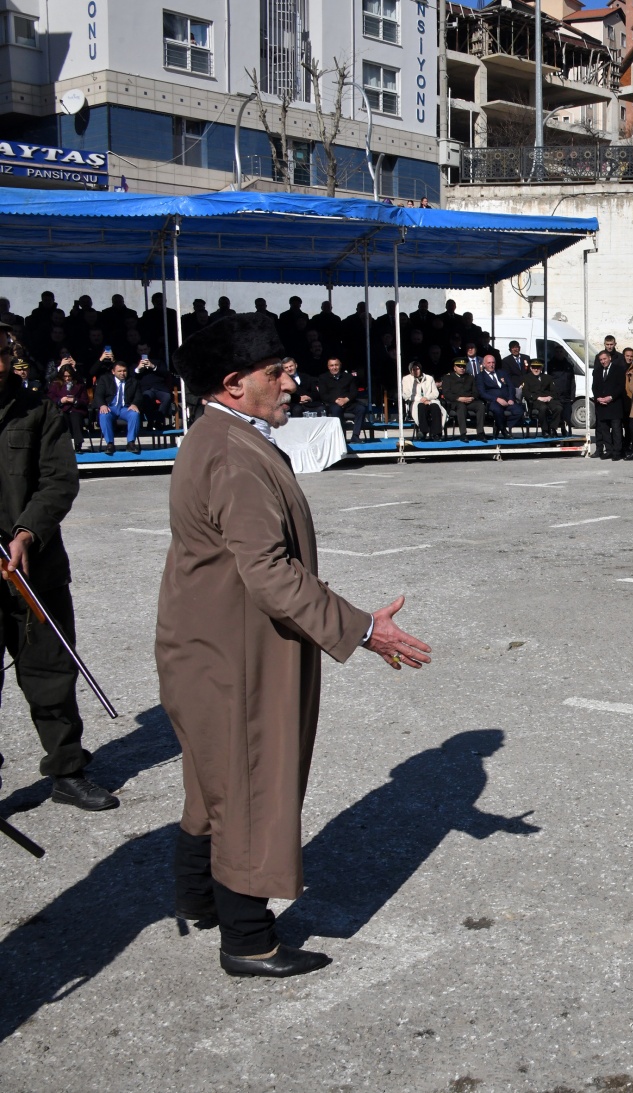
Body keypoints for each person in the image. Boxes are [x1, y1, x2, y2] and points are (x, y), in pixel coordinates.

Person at [157, 311, 431, 978]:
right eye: (276, 372)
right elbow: (271, 573)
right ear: (233, 383)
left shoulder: (221, 434)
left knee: (215, 780)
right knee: (251, 787)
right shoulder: (232, 452)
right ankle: (248, 940)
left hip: (213, 641)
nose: (291, 382)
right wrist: (364, 628)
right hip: (237, 654)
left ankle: (199, 897)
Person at [0, 328, 113, 811]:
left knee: (51, 671)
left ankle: (67, 771)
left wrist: (27, 532)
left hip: (34, 567)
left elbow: (60, 480)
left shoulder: (39, 410)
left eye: (3, 353)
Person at [315, 357, 367, 444]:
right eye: (332, 365)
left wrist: (346, 399)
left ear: (340, 365)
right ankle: (340, 437)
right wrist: (336, 400)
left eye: (336, 365)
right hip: (333, 404)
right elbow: (323, 394)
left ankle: (355, 436)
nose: (334, 367)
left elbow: (354, 392)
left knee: (361, 409)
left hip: (348, 403)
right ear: (328, 367)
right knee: (336, 409)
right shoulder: (323, 378)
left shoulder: (349, 377)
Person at [93, 360, 141, 454]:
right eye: (119, 371)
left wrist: (135, 404)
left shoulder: (133, 381)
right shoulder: (105, 380)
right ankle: (110, 444)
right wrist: (102, 405)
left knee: (134, 414)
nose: (122, 373)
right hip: (110, 407)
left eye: (124, 371)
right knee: (104, 415)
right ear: (113, 371)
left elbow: (139, 396)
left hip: (125, 408)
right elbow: (98, 395)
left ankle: (131, 443)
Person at [476, 355, 523, 438]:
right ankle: (504, 430)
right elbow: (482, 393)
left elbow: (511, 387)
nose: (491, 365)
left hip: (507, 400)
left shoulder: (502, 372)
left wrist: (511, 398)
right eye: (489, 363)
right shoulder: (480, 376)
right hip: (493, 401)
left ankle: (500, 425)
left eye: (493, 362)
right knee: (498, 411)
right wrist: (496, 399)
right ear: (484, 364)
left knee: (519, 411)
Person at [591, 349, 626, 458]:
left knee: (616, 430)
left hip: (614, 404)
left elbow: (620, 386)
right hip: (602, 405)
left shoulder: (618, 369)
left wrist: (610, 397)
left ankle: (617, 451)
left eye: (604, 359)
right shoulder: (597, 371)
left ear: (609, 358)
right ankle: (609, 450)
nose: (603, 361)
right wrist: (598, 398)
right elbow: (594, 387)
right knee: (604, 429)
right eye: (601, 360)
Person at [442, 357, 486, 440]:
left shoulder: (470, 377)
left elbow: (476, 391)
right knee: (461, 407)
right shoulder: (448, 377)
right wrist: (458, 398)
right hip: (456, 402)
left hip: (469, 401)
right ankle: (463, 434)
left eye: (463, 366)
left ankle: (480, 433)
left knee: (481, 406)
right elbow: (446, 393)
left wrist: (472, 398)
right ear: (454, 368)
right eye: (459, 366)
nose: (462, 368)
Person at [48, 364, 88, 452]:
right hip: (62, 409)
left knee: (76, 419)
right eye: (65, 376)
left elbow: (85, 400)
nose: (67, 378)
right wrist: (60, 401)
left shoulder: (79, 385)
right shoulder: (55, 385)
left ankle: (78, 444)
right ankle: (64, 445)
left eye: (69, 376)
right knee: (62, 419)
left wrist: (75, 400)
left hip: (75, 409)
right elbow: (50, 399)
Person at [401, 361, 444, 439]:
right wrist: (421, 399)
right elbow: (406, 395)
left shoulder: (429, 378)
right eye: (413, 369)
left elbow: (435, 393)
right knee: (421, 406)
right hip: (416, 401)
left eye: (417, 369)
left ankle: (437, 433)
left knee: (435, 407)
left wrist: (427, 398)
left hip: (430, 400)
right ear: (410, 370)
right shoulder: (406, 379)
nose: (415, 371)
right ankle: (423, 431)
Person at [520, 360, 561, 437]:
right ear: (531, 368)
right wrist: (538, 398)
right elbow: (525, 392)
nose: (536, 369)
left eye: (538, 367)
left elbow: (554, 391)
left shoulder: (548, 377)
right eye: (534, 367)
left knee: (558, 408)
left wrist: (549, 397)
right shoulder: (526, 378)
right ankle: (545, 430)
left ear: (541, 368)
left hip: (548, 399)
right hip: (535, 400)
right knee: (543, 408)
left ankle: (552, 428)